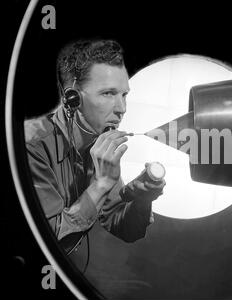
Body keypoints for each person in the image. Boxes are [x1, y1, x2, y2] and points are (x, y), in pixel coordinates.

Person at [24, 39, 165, 253]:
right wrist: (101, 183)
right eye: (108, 93)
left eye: (124, 94)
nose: (122, 109)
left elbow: (124, 227)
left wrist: (141, 199)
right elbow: (46, 243)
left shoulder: (98, 143)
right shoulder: (32, 145)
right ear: (73, 98)